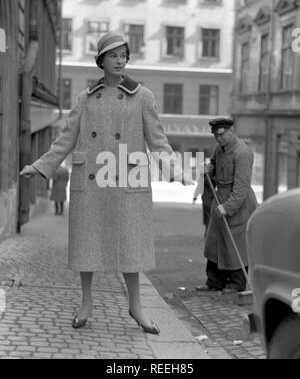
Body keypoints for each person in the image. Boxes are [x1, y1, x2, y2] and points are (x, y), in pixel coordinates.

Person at [20, 31, 193, 333]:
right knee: (88, 245)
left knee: (130, 249)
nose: (120, 60)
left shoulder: (143, 96)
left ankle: (136, 306)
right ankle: (86, 302)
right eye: (113, 55)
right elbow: (65, 139)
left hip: (127, 181)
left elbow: (158, 140)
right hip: (92, 183)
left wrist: (174, 170)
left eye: (123, 54)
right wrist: (41, 164)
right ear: (101, 61)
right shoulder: (85, 99)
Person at [197, 117, 257, 292]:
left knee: (234, 243)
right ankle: (215, 281)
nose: (218, 138)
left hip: (239, 204)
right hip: (220, 197)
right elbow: (214, 163)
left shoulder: (242, 152)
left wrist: (228, 207)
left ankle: (237, 283)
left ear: (231, 130)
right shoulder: (220, 148)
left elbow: (241, 188)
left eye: (221, 134)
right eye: (216, 135)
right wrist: (208, 169)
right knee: (214, 240)